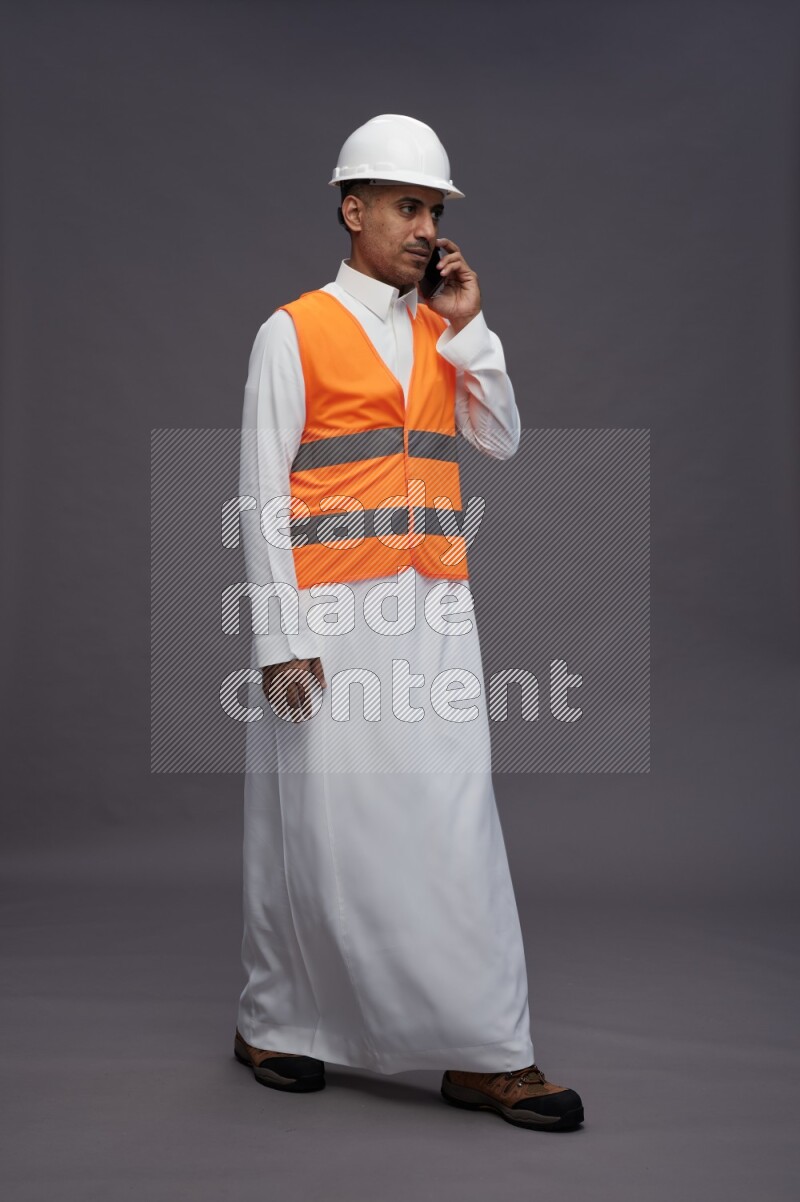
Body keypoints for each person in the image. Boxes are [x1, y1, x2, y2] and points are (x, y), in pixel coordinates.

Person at [234, 113, 584, 1132]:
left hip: (431, 608)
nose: (424, 226)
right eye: (404, 205)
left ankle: (485, 1051)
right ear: (352, 209)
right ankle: (276, 1023)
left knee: (448, 821)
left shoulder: (442, 328)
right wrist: (278, 638)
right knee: (310, 823)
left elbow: (502, 438)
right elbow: (260, 494)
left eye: (432, 208)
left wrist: (470, 325)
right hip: (329, 618)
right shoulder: (290, 330)